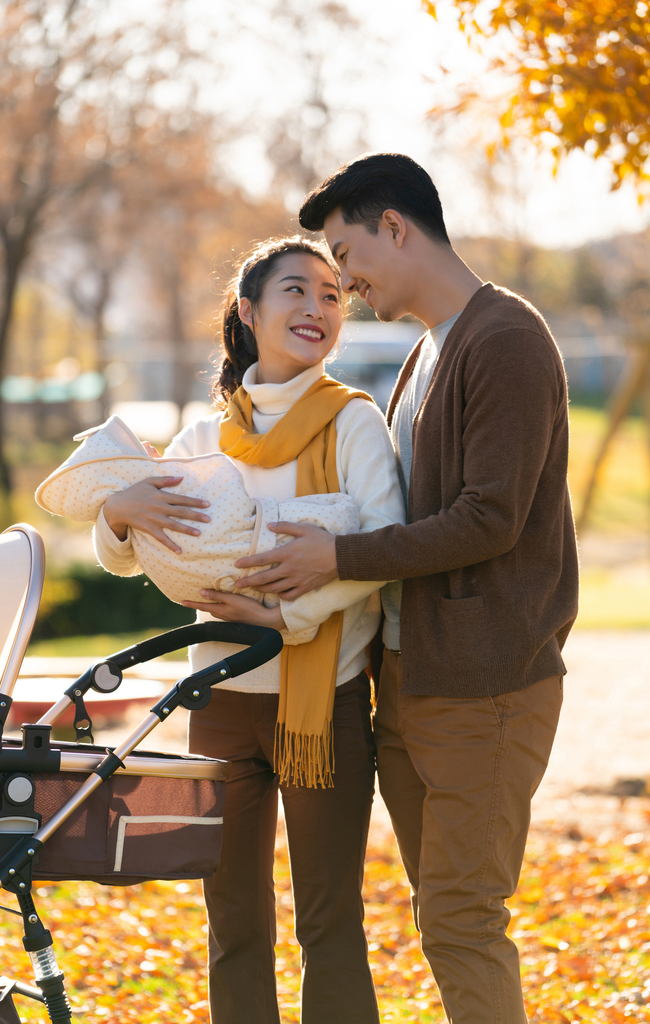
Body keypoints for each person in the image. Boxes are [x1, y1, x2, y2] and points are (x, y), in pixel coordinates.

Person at [234, 155, 579, 1024]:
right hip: (416, 687)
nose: (341, 281)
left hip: (488, 688)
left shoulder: (503, 339)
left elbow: (487, 519)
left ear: (395, 227)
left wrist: (335, 557)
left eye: (347, 253)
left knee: (463, 922)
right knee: (443, 920)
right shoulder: (430, 349)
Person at [92, 235, 406, 1024]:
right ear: (248, 311)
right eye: (297, 291)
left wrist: (284, 618)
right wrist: (116, 516)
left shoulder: (352, 425)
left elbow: (380, 551)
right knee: (232, 924)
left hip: (322, 705)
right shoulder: (204, 440)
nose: (317, 308)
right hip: (219, 705)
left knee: (329, 924)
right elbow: (135, 555)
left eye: (333, 295)